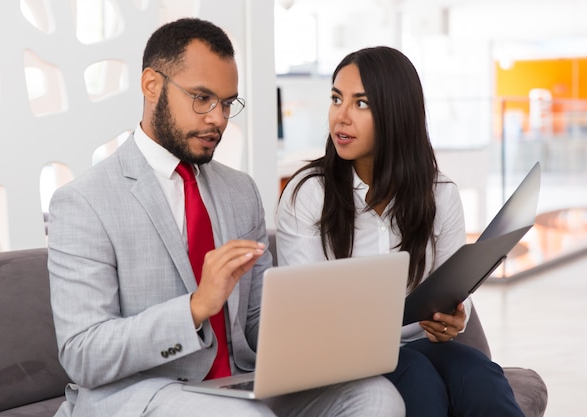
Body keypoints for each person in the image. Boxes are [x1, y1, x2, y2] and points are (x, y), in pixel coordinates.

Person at [48, 18, 404, 417]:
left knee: (376, 396)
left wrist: (326, 329)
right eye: (202, 98)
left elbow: (256, 321)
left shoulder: (240, 191)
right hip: (143, 393)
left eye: (227, 103)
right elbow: (82, 353)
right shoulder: (83, 202)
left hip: (235, 384)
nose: (218, 118)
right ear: (152, 85)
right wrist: (196, 307)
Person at [275, 46, 526, 417]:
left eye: (361, 104)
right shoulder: (307, 194)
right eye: (336, 99)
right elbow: (309, 316)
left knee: (481, 376)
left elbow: (456, 288)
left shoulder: (439, 193)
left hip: (420, 344)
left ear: (396, 113)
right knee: (417, 376)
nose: (340, 117)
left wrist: (456, 316)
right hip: (344, 357)